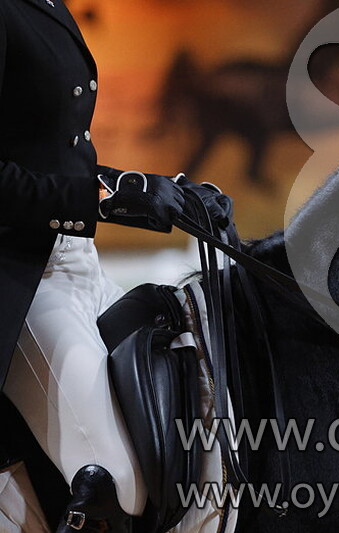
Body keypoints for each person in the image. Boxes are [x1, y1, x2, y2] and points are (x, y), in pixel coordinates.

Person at [0, 1, 226, 531]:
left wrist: (148, 191)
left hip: (76, 264)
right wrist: (101, 201)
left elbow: (50, 152)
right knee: (115, 483)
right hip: (20, 280)